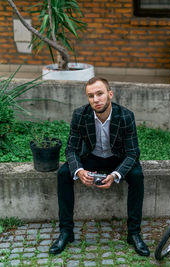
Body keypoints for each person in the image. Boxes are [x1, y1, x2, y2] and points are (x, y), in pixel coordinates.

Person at [49, 77, 150, 257]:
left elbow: (133, 153)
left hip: (116, 159)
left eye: (99, 94)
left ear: (110, 94)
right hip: (92, 158)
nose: (95, 99)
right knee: (64, 173)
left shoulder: (125, 115)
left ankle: (134, 233)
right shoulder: (80, 115)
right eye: (90, 96)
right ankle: (66, 232)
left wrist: (116, 175)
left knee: (137, 175)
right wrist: (79, 171)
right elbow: (71, 150)